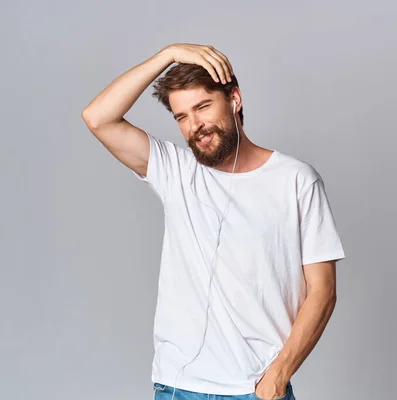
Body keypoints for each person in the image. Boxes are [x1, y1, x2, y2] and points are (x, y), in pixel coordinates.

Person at [81, 43, 345, 400]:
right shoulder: (175, 170)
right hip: (179, 387)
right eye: (181, 116)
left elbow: (323, 291)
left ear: (234, 99)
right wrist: (168, 54)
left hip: (257, 389)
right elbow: (98, 117)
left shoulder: (296, 181)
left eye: (203, 107)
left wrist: (278, 376)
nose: (195, 126)